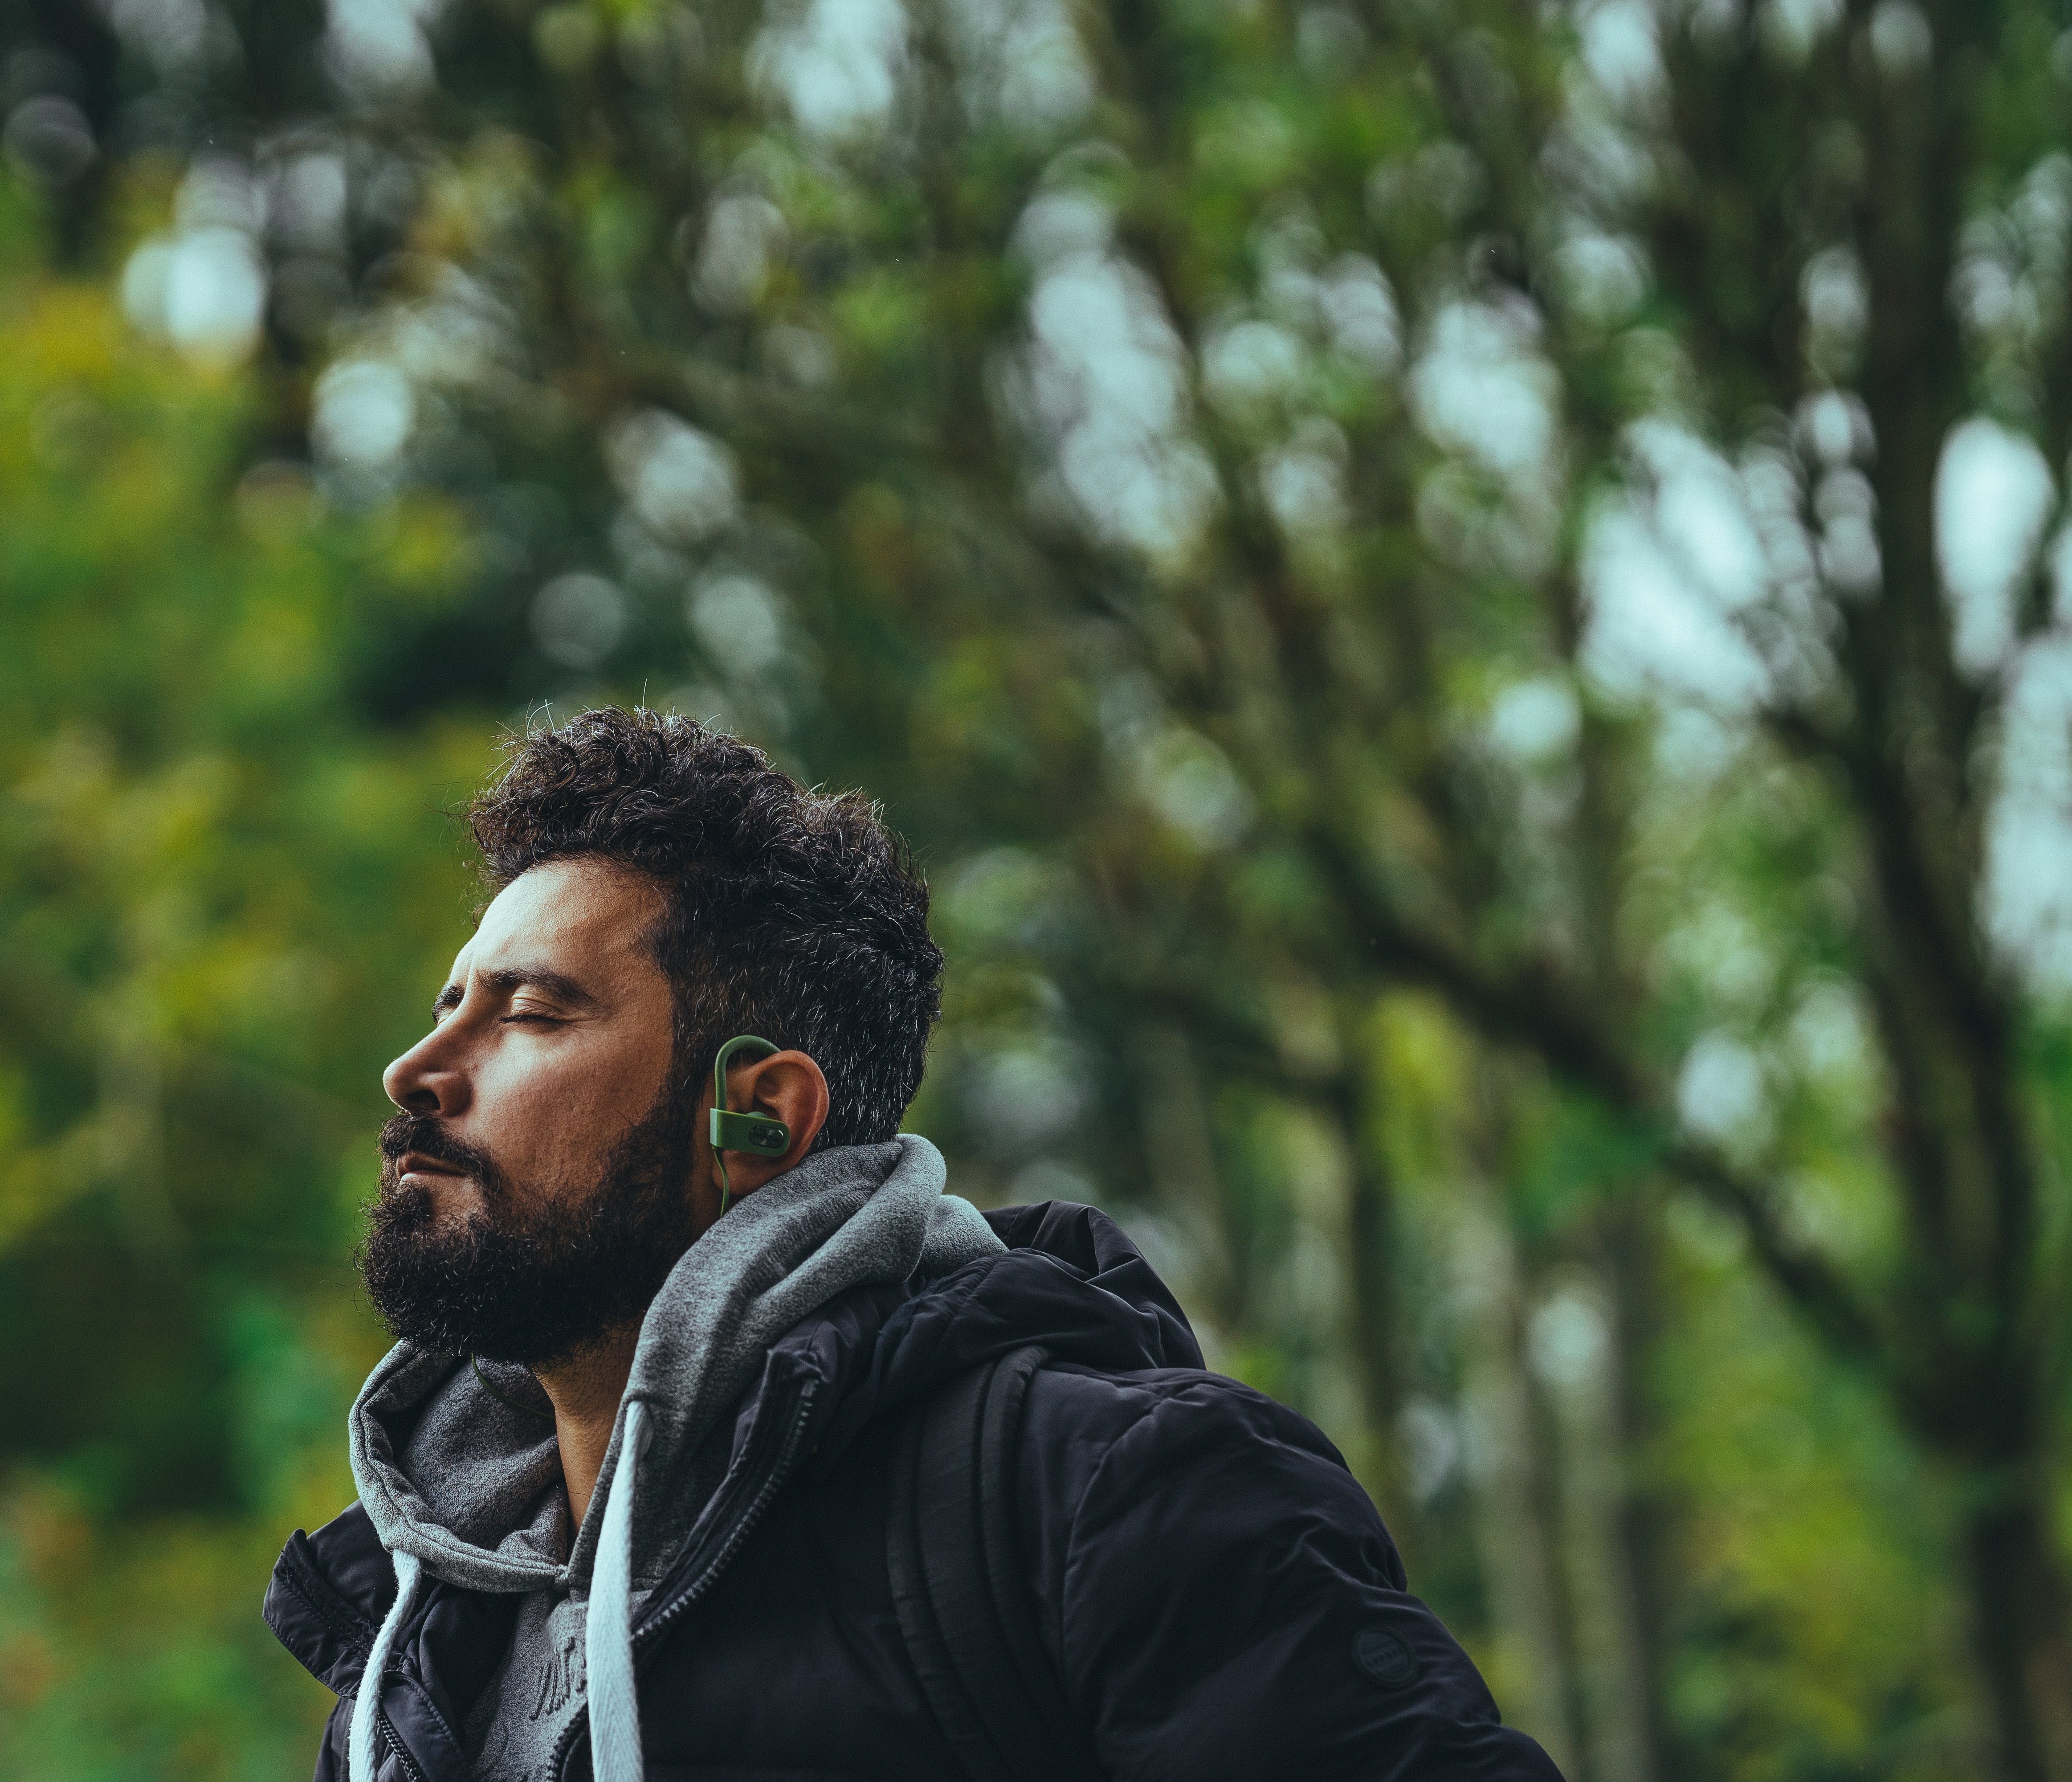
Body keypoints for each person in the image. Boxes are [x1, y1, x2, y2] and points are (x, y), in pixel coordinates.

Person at [262, 707, 1562, 1782]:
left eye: (531, 1012)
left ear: (757, 1119)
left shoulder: (1106, 1496)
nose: (416, 1068)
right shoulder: (418, 1642)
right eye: (447, 1006)